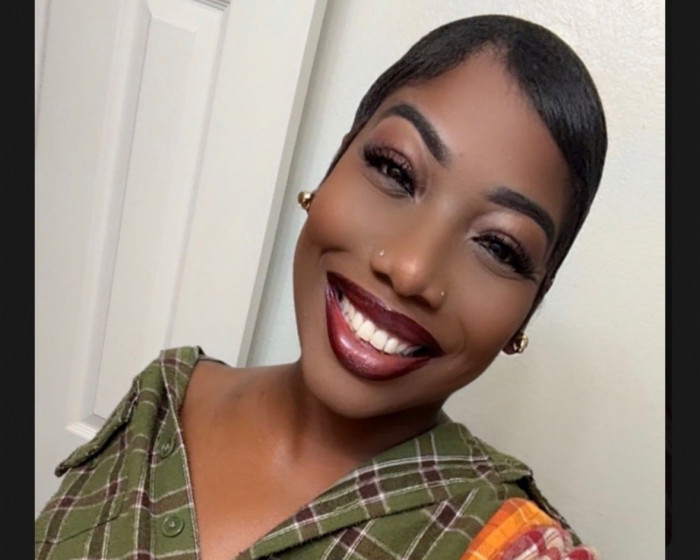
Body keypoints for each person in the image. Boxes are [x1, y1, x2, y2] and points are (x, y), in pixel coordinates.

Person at [35, 13, 607, 560]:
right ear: (334, 165)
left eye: (500, 247)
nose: (411, 269)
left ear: (528, 309)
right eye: (395, 171)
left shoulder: (508, 542)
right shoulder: (160, 398)